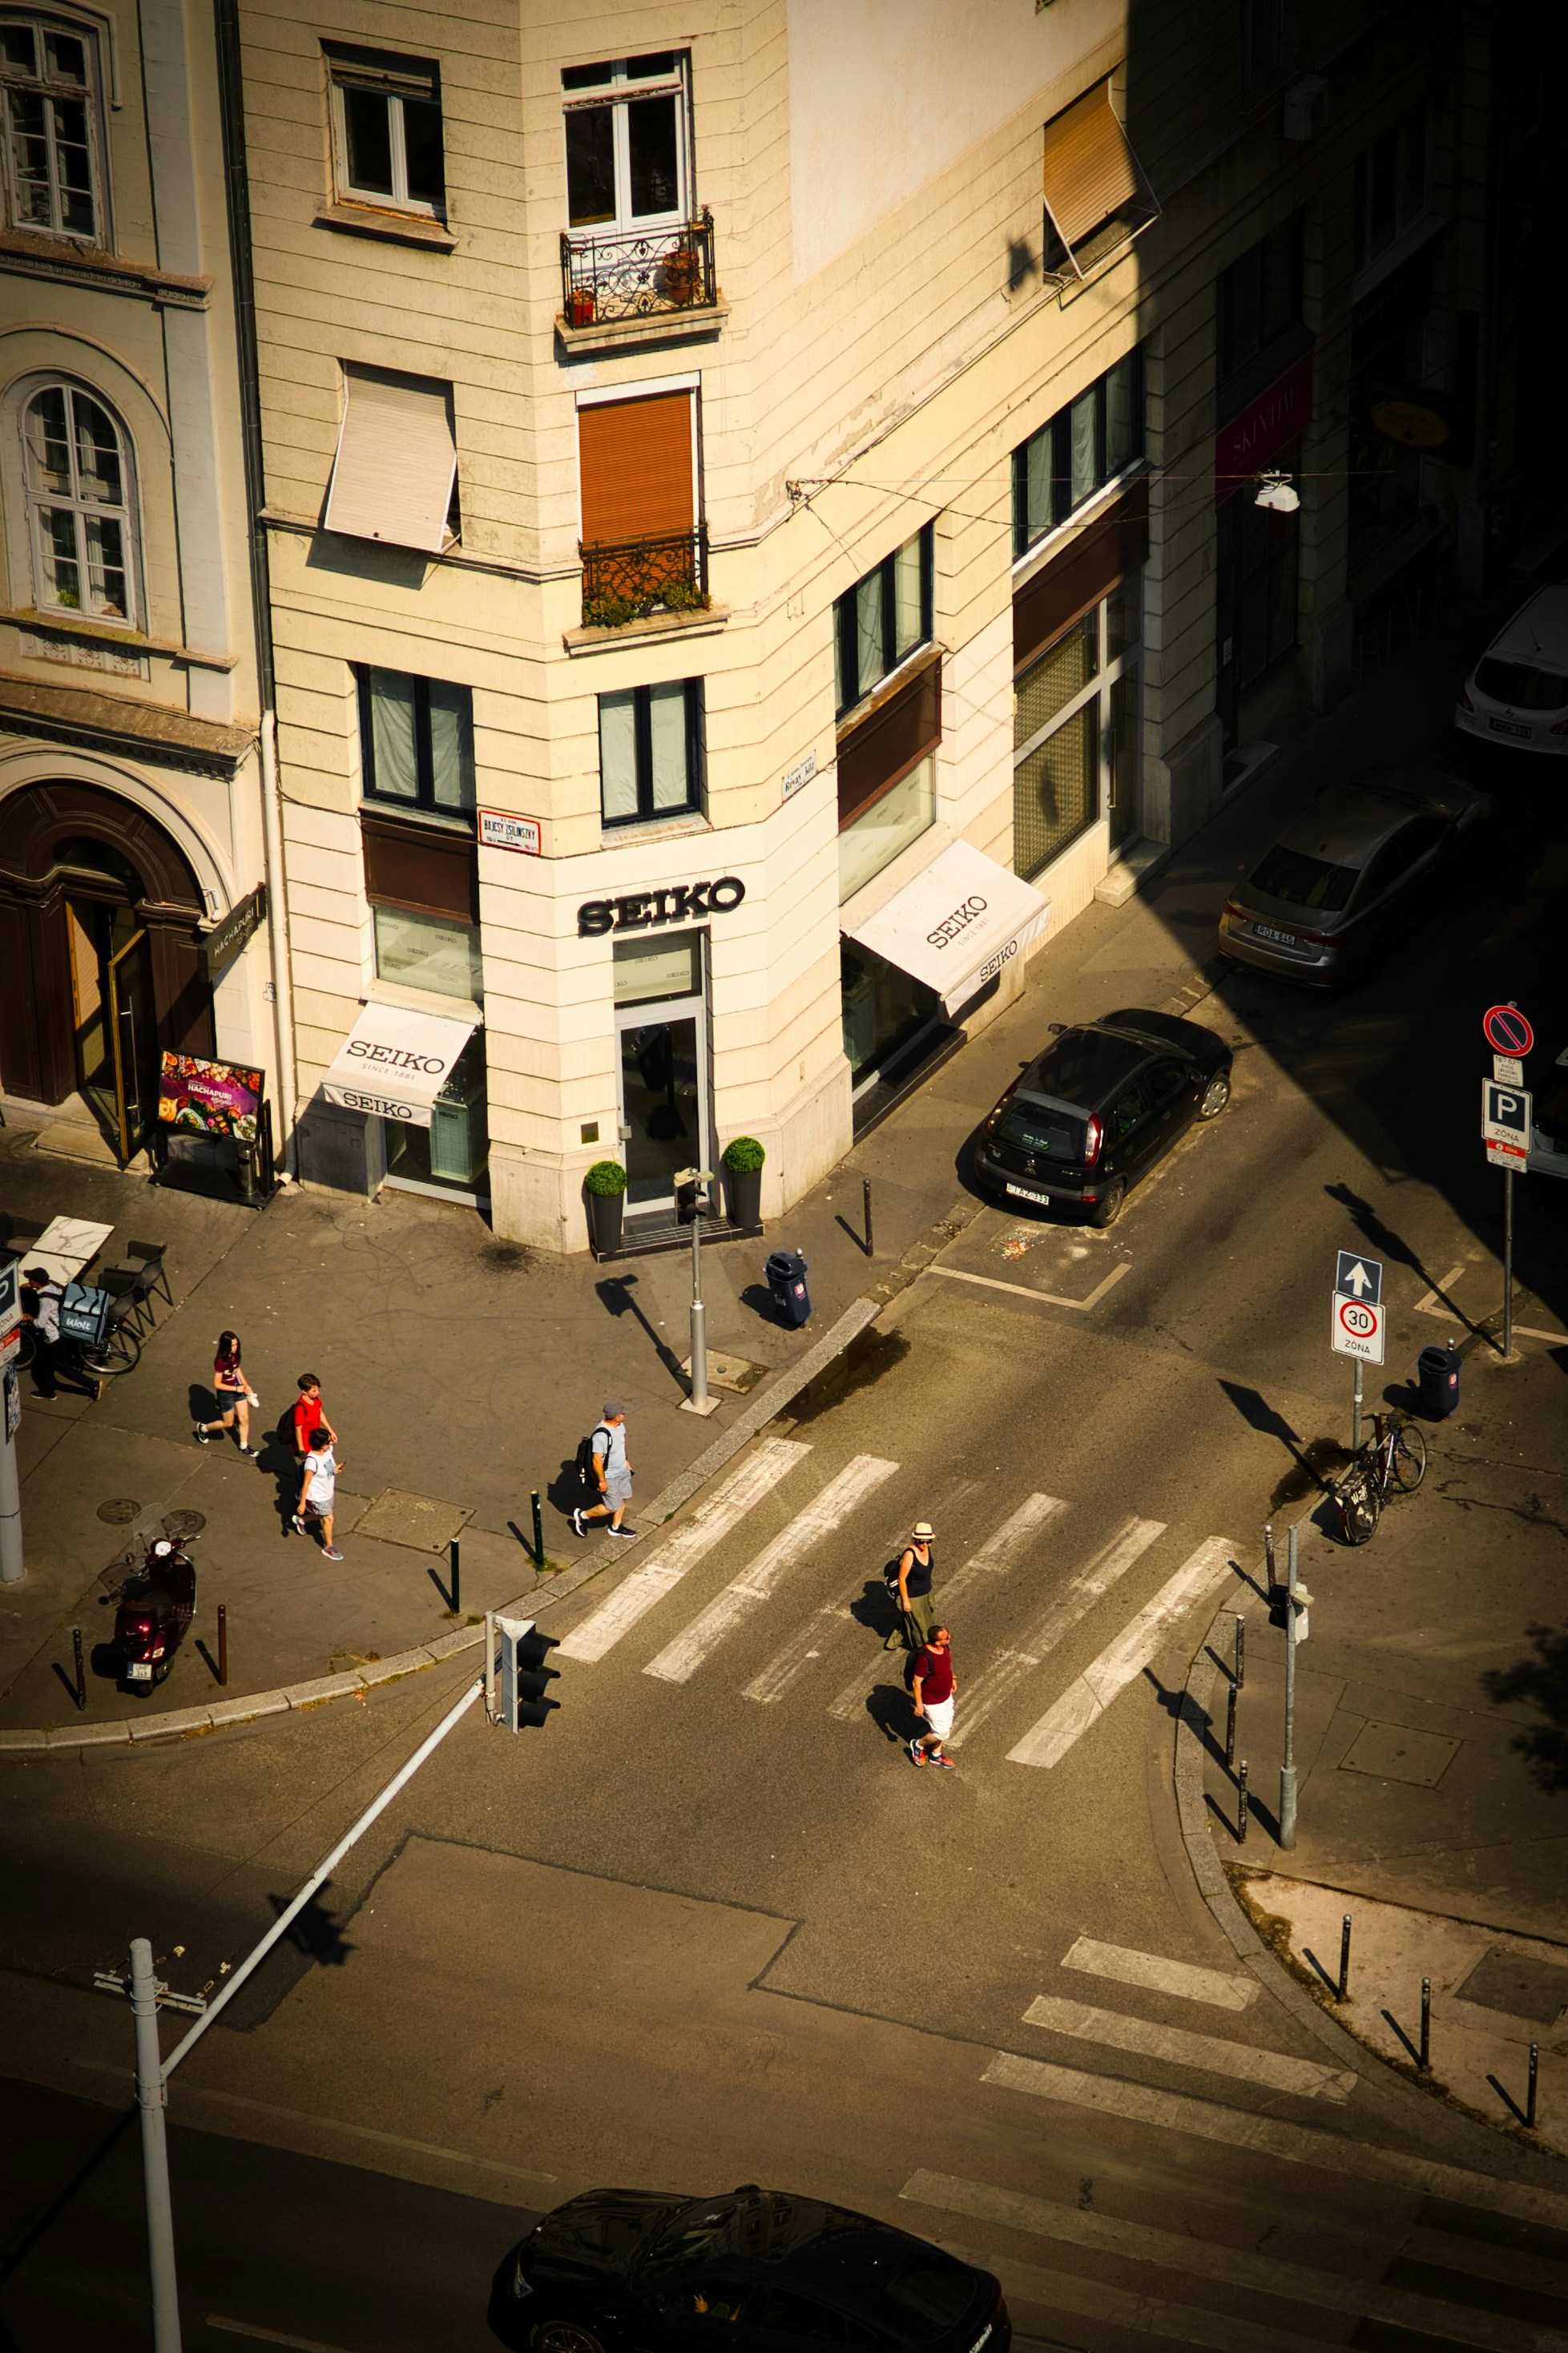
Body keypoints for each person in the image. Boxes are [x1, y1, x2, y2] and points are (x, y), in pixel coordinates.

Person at [19, 1269, 102, 1403]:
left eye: (30, 1280)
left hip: (53, 1338)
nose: (28, 1281)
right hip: (60, 1334)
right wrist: (31, 1287)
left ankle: (93, 1385)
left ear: (37, 1282)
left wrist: (28, 1317)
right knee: (43, 1364)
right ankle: (48, 1391)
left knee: (64, 1368)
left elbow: (40, 1324)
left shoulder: (45, 1300)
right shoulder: (52, 1286)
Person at [572, 1401, 636, 1541]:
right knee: (612, 1506)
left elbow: (622, 1443)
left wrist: (625, 1460)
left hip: (622, 1470)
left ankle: (616, 1527)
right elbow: (596, 1460)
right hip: (609, 1476)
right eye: (622, 1413)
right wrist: (602, 1481)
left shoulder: (620, 1426)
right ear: (617, 1417)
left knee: (623, 1497)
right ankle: (583, 1516)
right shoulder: (601, 1435)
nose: (624, 1415)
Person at [288, 1374, 337, 1532]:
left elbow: (320, 1413)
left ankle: (301, 1489)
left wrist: (330, 1431)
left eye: (317, 1390)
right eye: (314, 1391)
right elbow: (298, 1429)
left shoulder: (315, 1401)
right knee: (309, 1470)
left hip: (316, 1439)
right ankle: (303, 1496)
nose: (317, 1393)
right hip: (306, 1443)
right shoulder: (300, 1407)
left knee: (310, 1470)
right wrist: (302, 1449)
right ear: (304, 1391)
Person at [194, 1330, 256, 1454]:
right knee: (228, 1423)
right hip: (226, 1394)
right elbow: (217, 1383)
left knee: (244, 1418)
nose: (235, 1347)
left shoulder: (235, 1355)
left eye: (236, 1344)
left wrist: (246, 1385)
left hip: (238, 1388)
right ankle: (203, 1428)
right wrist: (236, 1388)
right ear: (226, 1346)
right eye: (233, 1345)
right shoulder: (221, 1361)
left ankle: (244, 1446)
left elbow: (237, 1370)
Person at [909, 1625, 957, 1769]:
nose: (949, 1638)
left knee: (946, 1726)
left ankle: (936, 1755)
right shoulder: (924, 1658)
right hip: (932, 1701)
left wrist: (953, 1678)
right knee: (942, 1732)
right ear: (937, 1642)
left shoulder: (945, 1647)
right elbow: (916, 1683)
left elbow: (948, 1664)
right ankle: (918, 1745)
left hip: (946, 1696)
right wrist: (919, 1704)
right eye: (946, 1638)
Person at [885, 1520, 937, 1652]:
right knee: (920, 1628)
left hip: (927, 1593)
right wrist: (906, 1601)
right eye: (921, 1541)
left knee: (928, 1621)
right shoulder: (910, 1554)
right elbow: (902, 1579)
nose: (925, 1544)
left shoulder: (927, 1549)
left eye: (928, 1541)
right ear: (915, 1539)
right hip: (914, 1597)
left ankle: (897, 1640)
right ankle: (923, 1651)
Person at [296, 1426, 345, 1560]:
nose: (330, 1444)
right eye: (328, 1442)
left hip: (328, 1492)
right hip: (318, 1496)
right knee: (329, 1518)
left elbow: (328, 1467)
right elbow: (306, 1483)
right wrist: (302, 1503)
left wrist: (335, 1470)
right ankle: (328, 1547)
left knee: (320, 1515)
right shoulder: (312, 1462)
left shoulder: (327, 1451)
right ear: (320, 1444)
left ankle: (302, 1521)